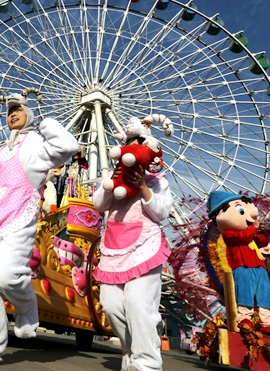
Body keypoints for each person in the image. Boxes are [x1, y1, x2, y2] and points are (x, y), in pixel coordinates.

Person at [0, 93, 79, 366]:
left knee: (7, 277)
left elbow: (69, 146)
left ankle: (27, 306)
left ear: (29, 115)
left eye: (18, 110)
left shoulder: (36, 143)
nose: (12, 114)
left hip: (20, 215)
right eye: (9, 111)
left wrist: (45, 125)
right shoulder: (0, 150)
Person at [92, 127, 173, 371]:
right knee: (111, 305)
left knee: (139, 306)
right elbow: (98, 205)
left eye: (135, 143)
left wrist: (143, 188)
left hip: (143, 247)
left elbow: (161, 212)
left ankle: (147, 363)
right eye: (126, 143)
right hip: (115, 247)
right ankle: (131, 353)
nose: (130, 147)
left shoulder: (158, 181)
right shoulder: (115, 176)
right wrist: (110, 183)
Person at [207, 191, 270, 335]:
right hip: (242, 267)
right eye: (242, 210)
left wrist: (261, 232)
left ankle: (267, 321)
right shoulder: (228, 234)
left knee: (265, 295)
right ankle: (244, 318)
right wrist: (254, 228)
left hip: (260, 267)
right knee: (245, 294)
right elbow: (243, 237)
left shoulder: (251, 232)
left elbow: (263, 242)